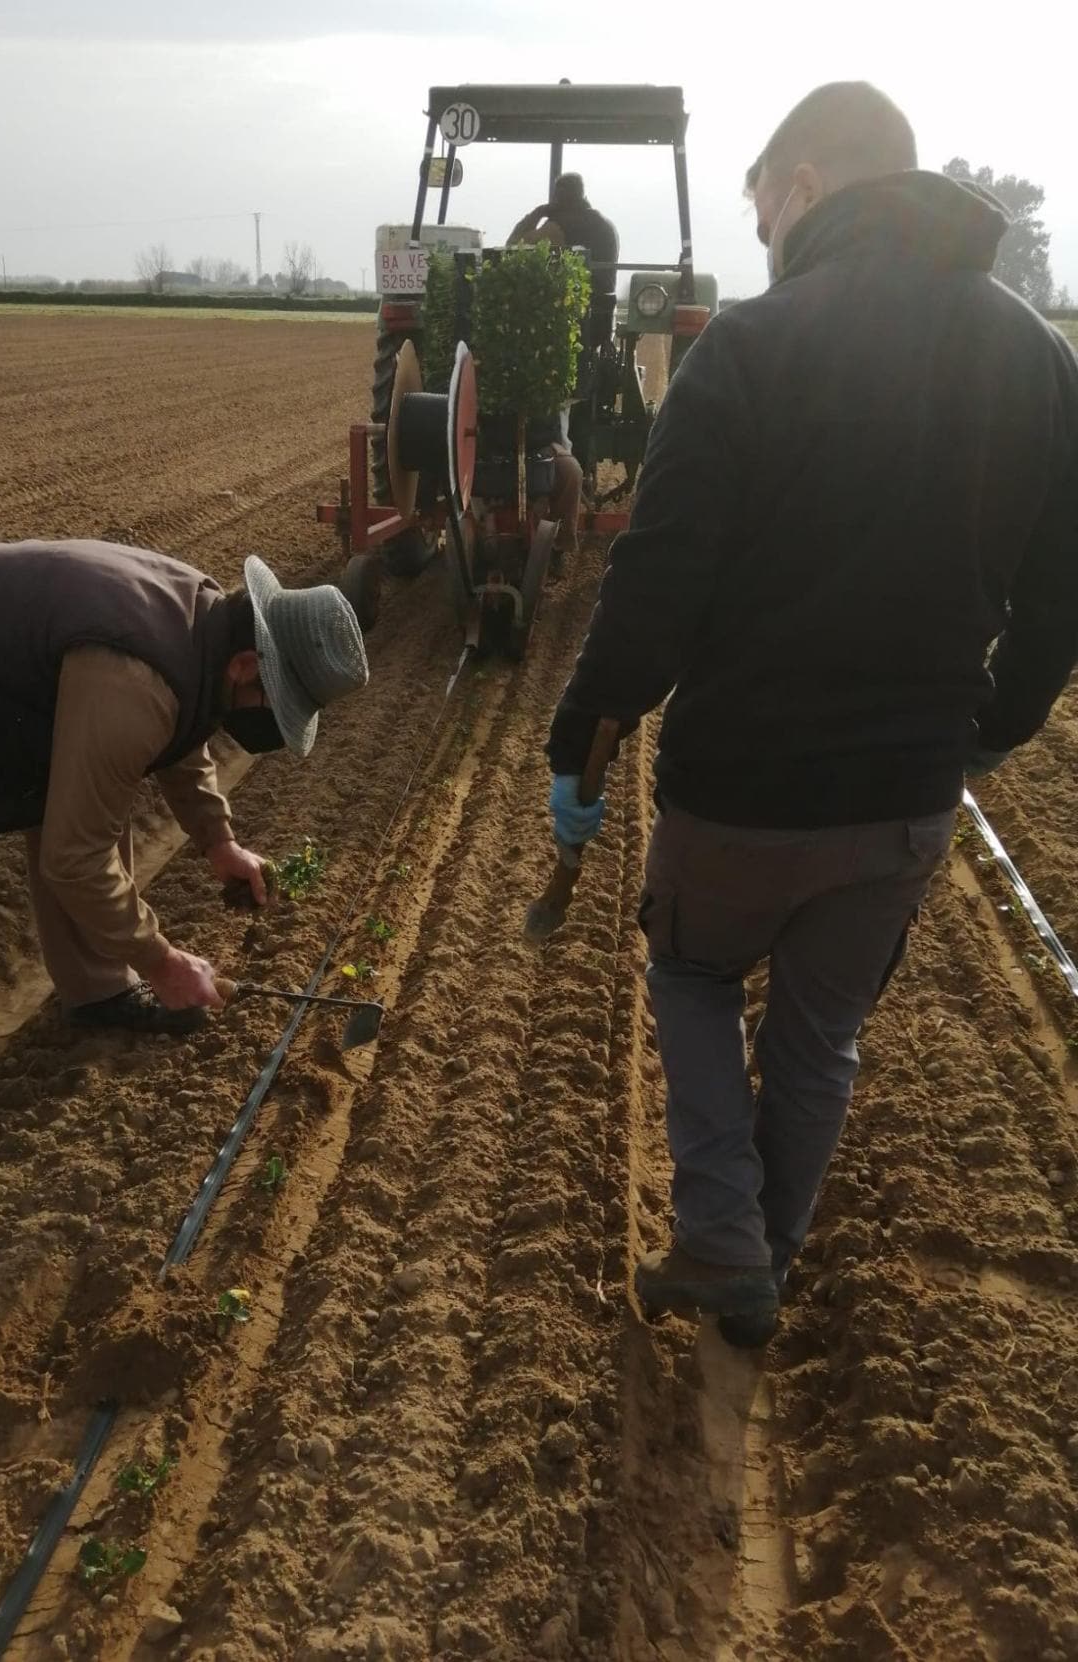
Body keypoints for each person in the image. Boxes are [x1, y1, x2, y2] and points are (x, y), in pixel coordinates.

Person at [545, 82, 1078, 1347]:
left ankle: (728, 1243)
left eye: (764, 207)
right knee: (822, 1031)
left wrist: (588, 734)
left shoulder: (751, 347)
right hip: (906, 794)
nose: (765, 236)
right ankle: (765, 1254)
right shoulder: (1040, 361)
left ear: (804, 188)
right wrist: (991, 729)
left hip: (744, 783)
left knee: (688, 972)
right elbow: (1062, 594)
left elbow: (657, 581)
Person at [0, 539, 368, 1212]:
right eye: (275, 701)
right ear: (245, 663)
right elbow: (73, 859)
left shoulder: (200, 624)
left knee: (95, 801)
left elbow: (180, 732)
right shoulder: (134, 676)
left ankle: (97, 988)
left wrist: (217, 840)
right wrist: (164, 961)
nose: (269, 720)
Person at [508, 172, 620, 290]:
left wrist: (539, 212)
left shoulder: (560, 225)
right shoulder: (607, 224)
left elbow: (513, 247)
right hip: (605, 299)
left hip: (575, 301)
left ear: (558, 200)